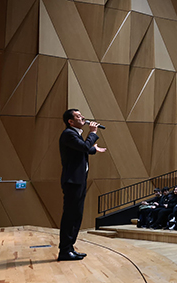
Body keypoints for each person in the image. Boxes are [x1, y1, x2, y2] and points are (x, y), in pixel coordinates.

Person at [58, 109, 106, 261]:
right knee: (70, 216)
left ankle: (70, 247)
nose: (83, 117)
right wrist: (92, 132)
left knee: (76, 215)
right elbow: (84, 147)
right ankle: (65, 250)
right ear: (70, 121)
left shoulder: (74, 135)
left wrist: (94, 149)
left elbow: (84, 149)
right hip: (72, 182)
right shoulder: (68, 134)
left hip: (79, 181)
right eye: (78, 116)